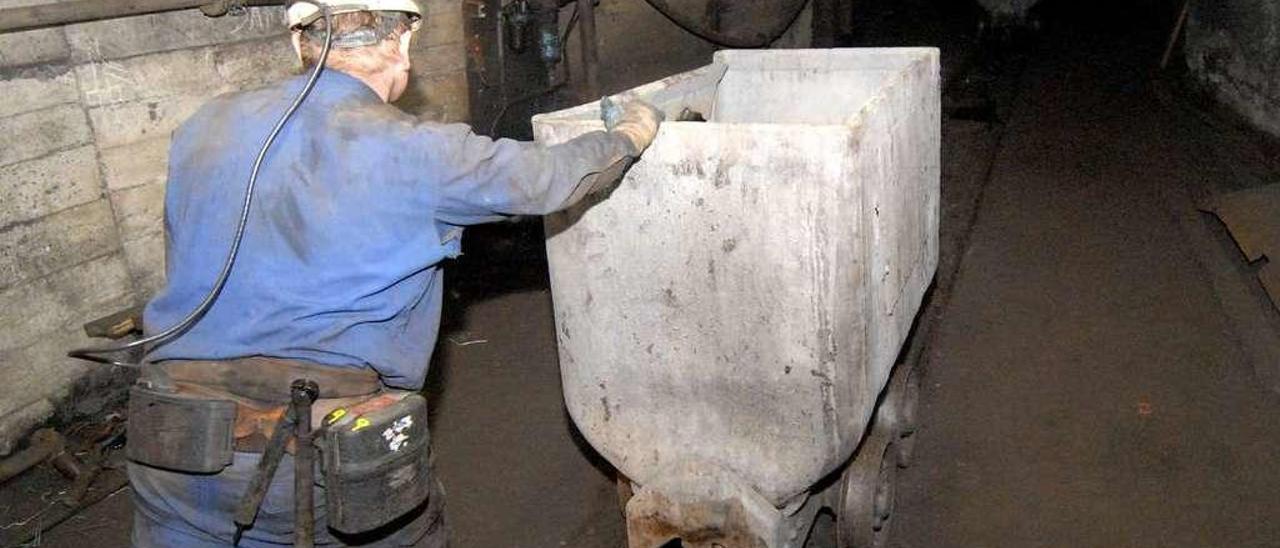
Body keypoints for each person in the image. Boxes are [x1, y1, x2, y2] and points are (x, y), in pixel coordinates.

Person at [127, 0, 663, 546]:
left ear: (299, 44)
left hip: (172, 432)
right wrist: (628, 136)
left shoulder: (202, 127)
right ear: (403, 44)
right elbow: (547, 179)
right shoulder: (417, 148)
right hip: (316, 451)